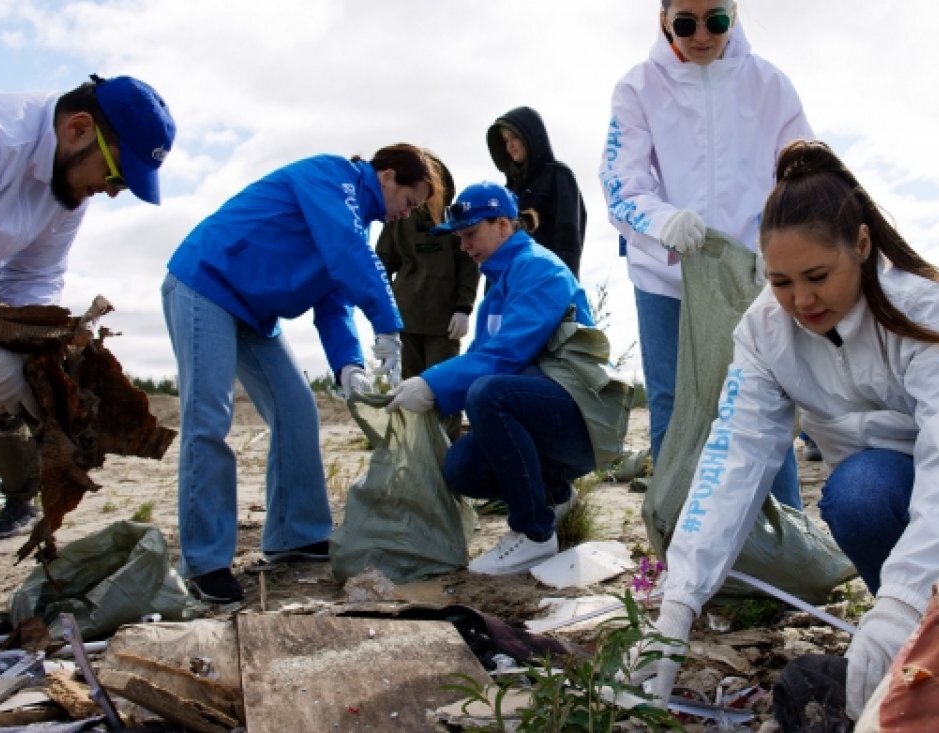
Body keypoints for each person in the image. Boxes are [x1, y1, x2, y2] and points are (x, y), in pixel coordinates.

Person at [640, 141, 939, 720]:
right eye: (780, 282)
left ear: (861, 246)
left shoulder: (921, 305)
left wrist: (901, 598)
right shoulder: (763, 333)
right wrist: (678, 601)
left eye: (816, 276)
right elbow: (733, 457)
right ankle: (922, 627)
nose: (800, 301)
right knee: (856, 489)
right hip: (894, 490)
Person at [163, 144, 438, 604]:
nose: (404, 216)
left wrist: (348, 363)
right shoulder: (330, 178)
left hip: (254, 313)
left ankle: (296, 534)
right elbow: (347, 253)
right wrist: (389, 323)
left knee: (298, 411)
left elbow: (334, 301)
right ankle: (205, 563)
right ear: (387, 176)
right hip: (205, 283)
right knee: (209, 418)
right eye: (409, 202)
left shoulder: (353, 222)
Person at [598, 0, 813, 488]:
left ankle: (781, 549)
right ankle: (678, 548)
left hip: (752, 278)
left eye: (716, 21)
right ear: (663, 19)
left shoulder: (770, 86)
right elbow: (621, 180)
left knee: (765, 405)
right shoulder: (638, 88)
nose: (701, 36)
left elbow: (803, 174)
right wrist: (662, 221)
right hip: (667, 279)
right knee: (675, 412)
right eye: (685, 22)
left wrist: (780, 244)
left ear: (734, 15)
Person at [0, 74, 176, 541]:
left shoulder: (66, 191)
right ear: (78, 129)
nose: (112, 192)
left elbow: (34, 278)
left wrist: (33, 361)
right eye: (115, 176)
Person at [386, 182, 629, 575]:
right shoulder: (499, 284)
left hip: (584, 421)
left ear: (503, 225)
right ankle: (554, 497)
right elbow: (484, 356)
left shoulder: (539, 269)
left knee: (489, 393)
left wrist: (431, 383)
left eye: (470, 234)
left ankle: (533, 535)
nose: (464, 246)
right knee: (462, 465)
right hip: (548, 415)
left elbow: (505, 356)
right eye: (460, 237)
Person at [375, 154, 479, 440]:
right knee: (408, 391)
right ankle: (414, 456)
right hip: (405, 318)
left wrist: (464, 307)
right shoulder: (399, 218)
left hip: (443, 322)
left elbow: (469, 263)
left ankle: (448, 456)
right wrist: (382, 314)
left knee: (444, 389)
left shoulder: (455, 218)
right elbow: (382, 262)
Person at [487, 106, 587, 277]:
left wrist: (564, 287)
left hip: (547, 281)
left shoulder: (558, 175)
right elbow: (498, 246)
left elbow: (569, 239)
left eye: (514, 137)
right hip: (512, 287)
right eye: (505, 141)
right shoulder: (507, 191)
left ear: (530, 136)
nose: (509, 145)